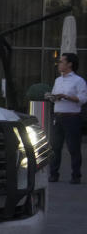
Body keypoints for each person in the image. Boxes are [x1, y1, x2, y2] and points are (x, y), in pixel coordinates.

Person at [46, 52, 87, 185]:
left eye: (62, 61)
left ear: (69, 64)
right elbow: (54, 96)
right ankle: (53, 174)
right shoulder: (58, 80)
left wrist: (66, 96)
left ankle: (76, 176)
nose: (59, 64)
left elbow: (83, 99)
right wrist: (52, 97)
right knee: (54, 147)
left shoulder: (79, 81)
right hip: (58, 117)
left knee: (73, 148)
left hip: (72, 118)